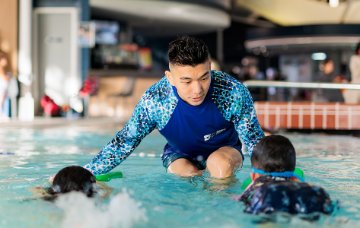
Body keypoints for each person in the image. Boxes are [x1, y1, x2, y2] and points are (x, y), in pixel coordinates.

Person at [84, 36, 264, 178]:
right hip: (180, 154)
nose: (198, 90)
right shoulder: (156, 101)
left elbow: (254, 140)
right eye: (186, 81)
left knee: (220, 165)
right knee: (187, 177)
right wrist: (86, 173)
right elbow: (125, 141)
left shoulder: (232, 92)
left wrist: (271, 177)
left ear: (210, 67)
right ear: (170, 78)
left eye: (204, 77)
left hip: (226, 150)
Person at [236, 135, 335, 218]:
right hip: (310, 194)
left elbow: (241, 200)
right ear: (293, 174)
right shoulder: (302, 184)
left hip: (269, 197)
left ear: (254, 175)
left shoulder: (259, 186)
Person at [34, 166, 111, 201]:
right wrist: (98, 182)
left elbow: (36, 189)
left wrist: (52, 183)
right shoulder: (96, 201)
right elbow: (109, 190)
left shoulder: (52, 201)